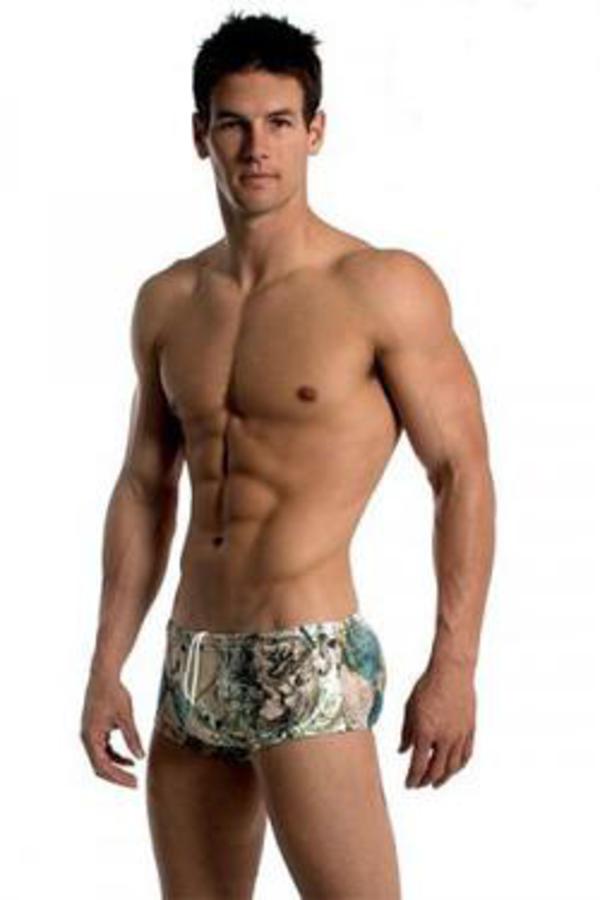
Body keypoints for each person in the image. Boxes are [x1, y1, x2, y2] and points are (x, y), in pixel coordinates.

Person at [80, 11, 495, 900]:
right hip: (192, 658)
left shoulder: (381, 287)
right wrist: (105, 665)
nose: (255, 147)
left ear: (316, 131)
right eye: (233, 123)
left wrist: (455, 666)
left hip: (304, 653)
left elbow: (460, 474)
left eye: (278, 122)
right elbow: (145, 488)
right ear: (201, 134)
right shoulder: (169, 301)